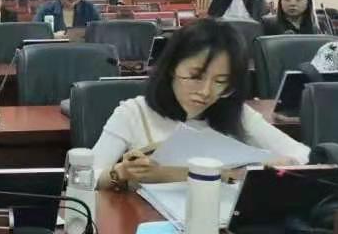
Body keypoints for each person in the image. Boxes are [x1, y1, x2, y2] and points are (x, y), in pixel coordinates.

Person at [93, 18, 310, 190]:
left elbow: (304, 155)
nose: (205, 92)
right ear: (172, 68)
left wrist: (280, 164)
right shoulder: (134, 113)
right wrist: (120, 172)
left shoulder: (238, 114)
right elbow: (86, 176)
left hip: (222, 222)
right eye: (195, 76)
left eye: (221, 82)